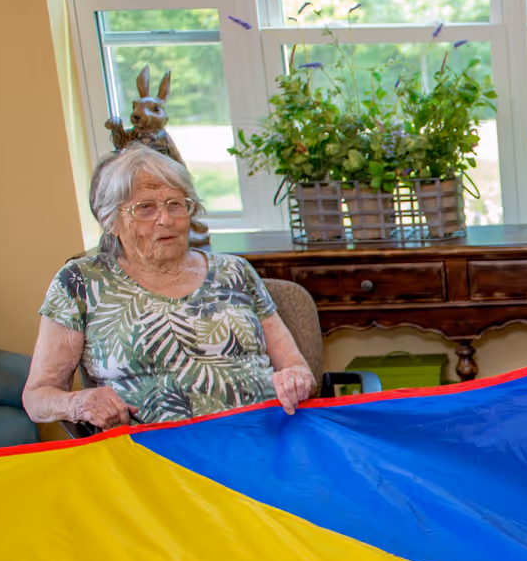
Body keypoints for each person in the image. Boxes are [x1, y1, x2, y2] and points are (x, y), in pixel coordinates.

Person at [24, 145, 316, 429]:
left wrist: (295, 380)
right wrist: (81, 402)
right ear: (110, 220)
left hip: (264, 439)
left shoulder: (236, 271)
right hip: (154, 458)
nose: (165, 219)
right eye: (145, 208)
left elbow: (297, 367)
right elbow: (37, 397)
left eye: (175, 204)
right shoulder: (81, 282)